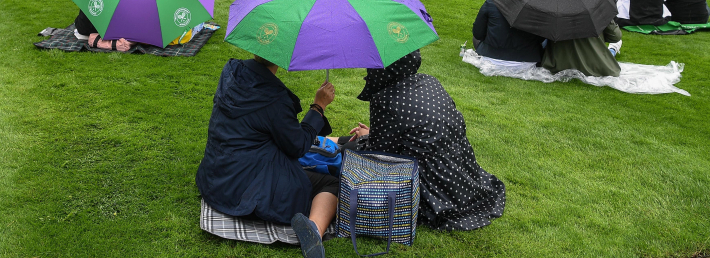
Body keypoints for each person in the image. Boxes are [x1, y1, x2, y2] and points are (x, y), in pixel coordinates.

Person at [196, 55, 337, 258]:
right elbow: (297, 146)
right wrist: (318, 106)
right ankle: (314, 229)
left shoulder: (231, 70)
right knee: (330, 183)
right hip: (247, 188)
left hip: (216, 176)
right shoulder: (275, 97)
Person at [347, 51, 505, 231]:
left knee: (351, 151)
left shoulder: (384, 99)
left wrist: (365, 137)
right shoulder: (429, 81)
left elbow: (379, 155)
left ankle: (321, 141)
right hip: (459, 170)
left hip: (430, 182)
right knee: (354, 141)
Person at [472, 0, 545, 64]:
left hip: (491, 58)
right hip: (528, 60)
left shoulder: (492, 2)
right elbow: (541, 38)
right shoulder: (539, 6)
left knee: (476, 38)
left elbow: (478, 34)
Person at [541, 21, 623, 77]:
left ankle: (612, 50)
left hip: (557, 62)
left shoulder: (554, 7)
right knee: (616, 44)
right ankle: (612, 50)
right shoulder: (599, 7)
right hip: (594, 64)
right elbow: (615, 37)